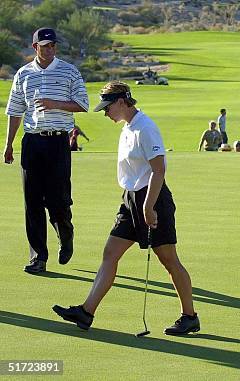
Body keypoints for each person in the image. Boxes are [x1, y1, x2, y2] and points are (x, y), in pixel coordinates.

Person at [52, 81, 199, 335]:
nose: (105, 113)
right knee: (110, 253)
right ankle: (86, 312)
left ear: (122, 102)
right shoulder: (127, 128)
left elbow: (159, 170)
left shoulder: (145, 128)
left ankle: (190, 316)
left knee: (169, 260)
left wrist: (149, 207)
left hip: (152, 200)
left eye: (107, 108)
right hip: (130, 200)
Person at [4, 27, 89, 274]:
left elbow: (83, 104)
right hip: (31, 142)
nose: (50, 49)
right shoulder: (23, 74)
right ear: (35, 47)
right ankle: (38, 257)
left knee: (58, 201)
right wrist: (8, 144)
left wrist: (55, 104)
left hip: (57, 143)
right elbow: (15, 111)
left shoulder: (69, 71)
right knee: (32, 202)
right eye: (45, 46)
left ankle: (65, 231)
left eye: (52, 45)